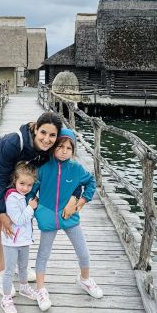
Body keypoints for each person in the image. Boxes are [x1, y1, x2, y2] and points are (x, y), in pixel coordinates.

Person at [0, 110, 64, 295]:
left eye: (52, 135)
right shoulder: (15, 143)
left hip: (15, 182)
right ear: (36, 129)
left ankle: (14, 265)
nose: (47, 139)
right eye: (43, 133)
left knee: (16, 222)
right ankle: (1, 273)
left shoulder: (47, 151)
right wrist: (2, 211)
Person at [32, 127, 103, 303]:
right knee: (43, 254)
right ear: (53, 147)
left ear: (73, 150)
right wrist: (36, 209)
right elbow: (31, 191)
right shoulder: (43, 168)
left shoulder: (76, 168)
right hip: (48, 219)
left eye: (69, 148)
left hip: (70, 217)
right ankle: (40, 289)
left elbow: (91, 182)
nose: (64, 152)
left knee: (83, 252)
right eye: (60, 147)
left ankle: (85, 280)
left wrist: (83, 200)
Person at [0, 162, 44, 313]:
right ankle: (6, 298)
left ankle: (24, 287)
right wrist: (31, 207)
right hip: (12, 241)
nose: (25, 188)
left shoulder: (23, 196)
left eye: (29, 185)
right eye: (22, 183)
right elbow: (18, 220)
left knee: (24, 266)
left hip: (23, 240)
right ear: (15, 181)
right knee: (9, 270)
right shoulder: (12, 198)